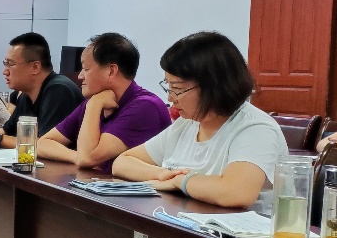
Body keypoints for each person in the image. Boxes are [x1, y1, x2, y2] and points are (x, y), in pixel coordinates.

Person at [112, 31, 287, 209]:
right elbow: (122, 162)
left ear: (213, 86)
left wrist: (181, 181)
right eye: (168, 87)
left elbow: (236, 193)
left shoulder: (255, 128)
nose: (170, 98)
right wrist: (162, 174)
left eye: (177, 88)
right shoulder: (188, 124)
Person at [37, 33, 171, 173]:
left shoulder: (146, 107)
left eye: (86, 69)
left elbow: (87, 158)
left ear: (111, 71)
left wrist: (94, 105)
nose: (80, 76)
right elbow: (42, 144)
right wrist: (76, 156)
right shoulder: (95, 100)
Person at [0, 32, 82, 148]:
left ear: (35, 67)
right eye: (5, 64)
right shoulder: (26, 95)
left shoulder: (59, 90)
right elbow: (7, 131)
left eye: (11, 64)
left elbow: (45, 145)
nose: (5, 71)